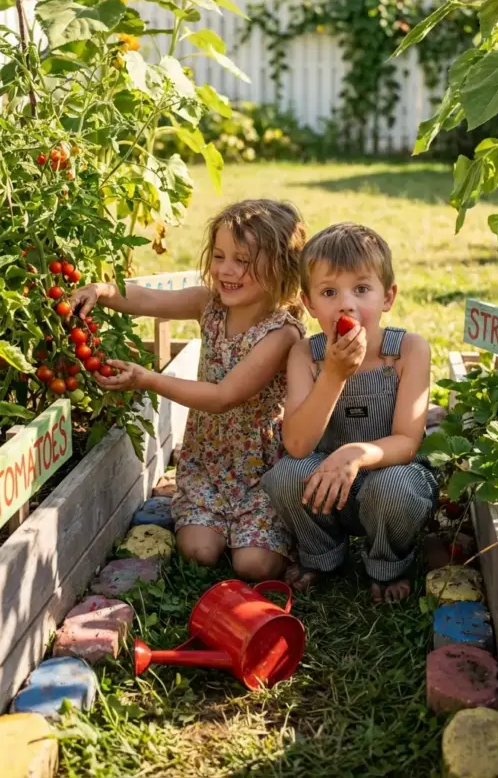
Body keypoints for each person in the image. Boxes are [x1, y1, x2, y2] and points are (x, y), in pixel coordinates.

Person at [69, 199, 306, 582]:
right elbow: (148, 299)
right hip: (208, 463)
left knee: (254, 566)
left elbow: (223, 396)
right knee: (200, 551)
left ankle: (268, 533)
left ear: (281, 266)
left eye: (243, 261)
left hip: (261, 472)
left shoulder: (281, 334)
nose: (226, 270)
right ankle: (216, 520)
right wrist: (104, 290)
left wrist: (147, 379)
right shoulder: (207, 304)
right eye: (219, 256)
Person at [261, 222, 438, 603]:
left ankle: (389, 565)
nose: (346, 303)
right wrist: (334, 375)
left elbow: (408, 442)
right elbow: (296, 444)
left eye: (362, 289)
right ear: (309, 304)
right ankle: (321, 557)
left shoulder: (408, 350)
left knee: (395, 487)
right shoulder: (306, 355)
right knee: (285, 476)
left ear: (388, 296)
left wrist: (354, 454)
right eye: (329, 292)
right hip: (330, 482)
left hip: (389, 475)